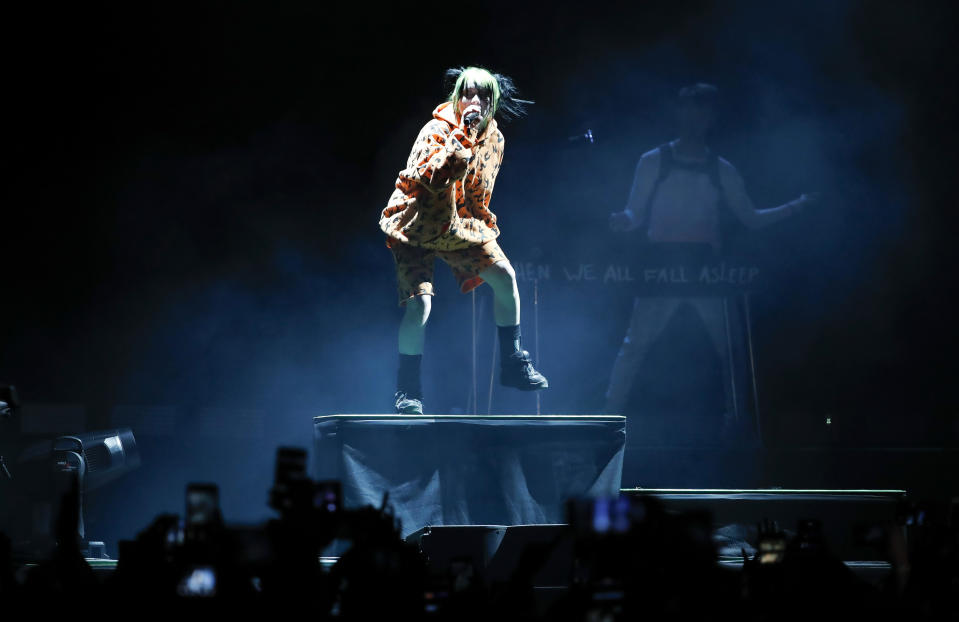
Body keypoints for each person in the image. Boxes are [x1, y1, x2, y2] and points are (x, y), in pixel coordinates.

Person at [606, 83, 817, 439]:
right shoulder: (653, 160)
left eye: (703, 111)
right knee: (635, 343)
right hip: (663, 263)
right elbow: (635, 214)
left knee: (730, 347)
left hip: (704, 265)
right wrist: (622, 222)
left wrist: (796, 206)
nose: (695, 117)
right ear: (679, 112)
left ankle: (736, 421)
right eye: (690, 109)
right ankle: (608, 419)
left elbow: (750, 218)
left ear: (711, 118)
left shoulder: (722, 169)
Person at [380, 66, 547, 415]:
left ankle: (513, 364)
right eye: (468, 94)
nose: (475, 101)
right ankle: (407, 392)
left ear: (493, 100)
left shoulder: (496, 140)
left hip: (459, 225)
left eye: (483, 95)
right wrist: (463, 138)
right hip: (416, 223)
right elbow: (433, 179)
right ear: (457, 97)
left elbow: (479, 194)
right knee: (419, 305)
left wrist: (483, 231)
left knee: (505, 277)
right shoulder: (437, 130)